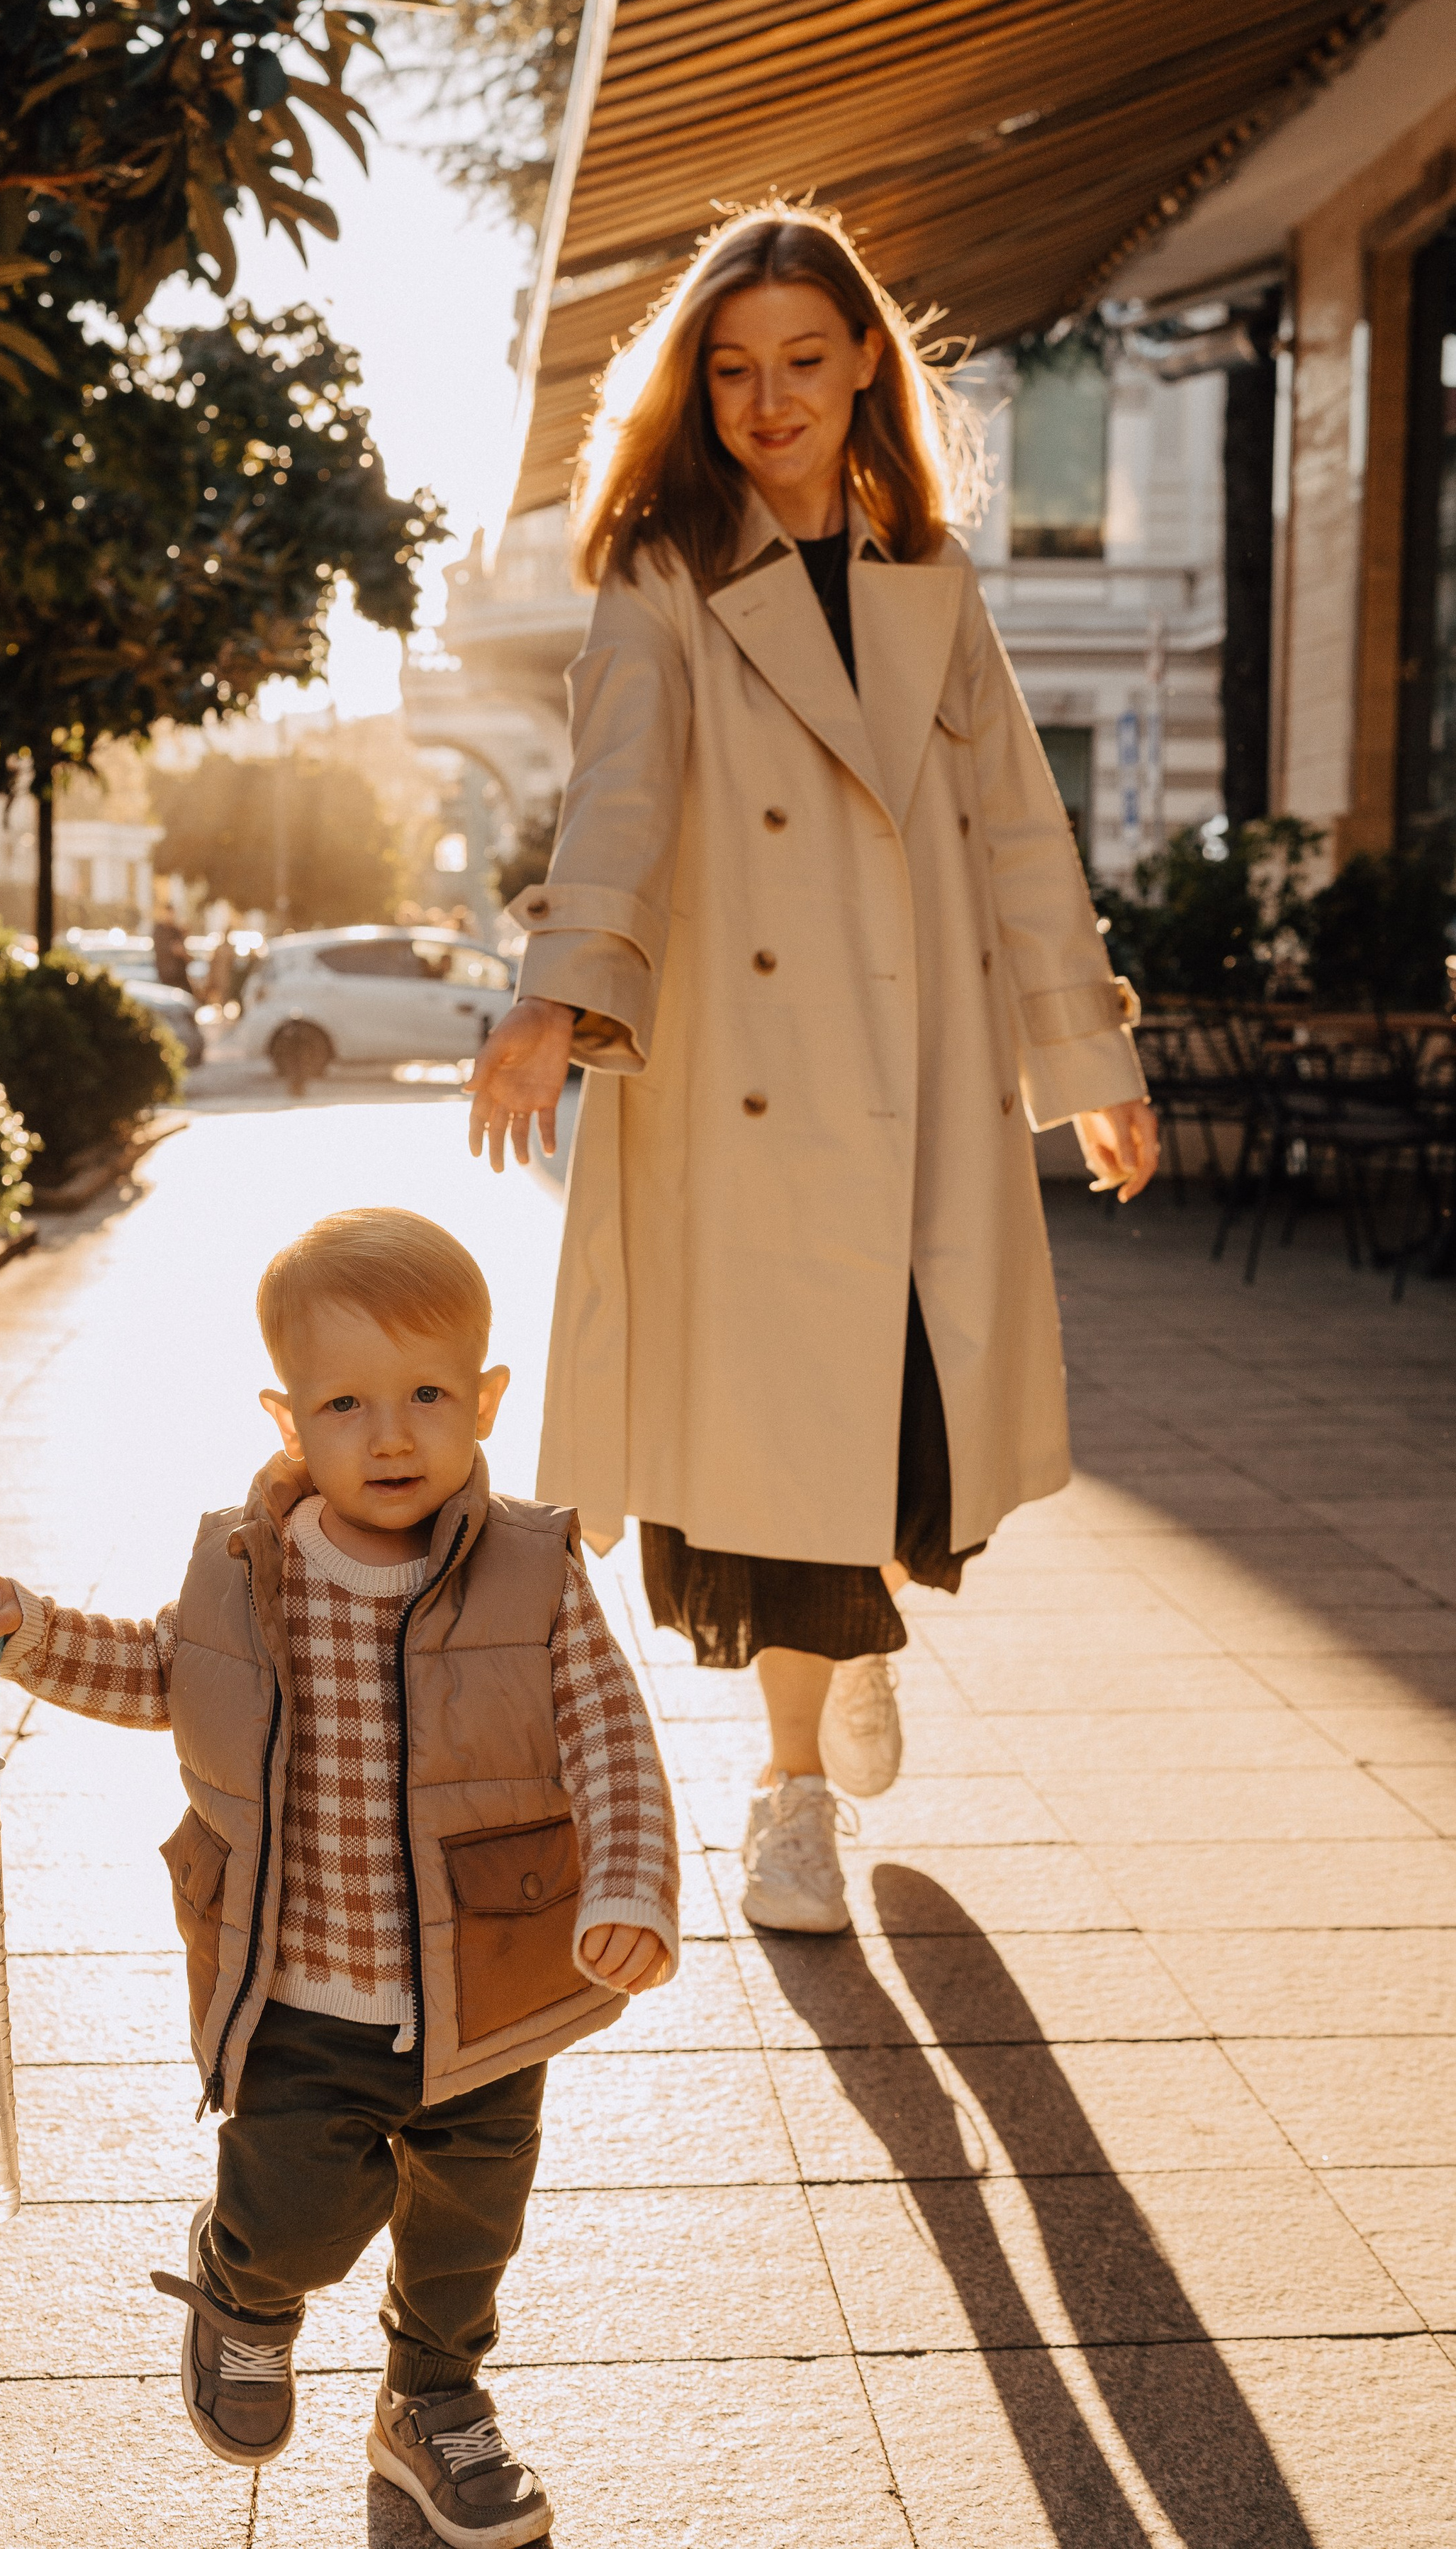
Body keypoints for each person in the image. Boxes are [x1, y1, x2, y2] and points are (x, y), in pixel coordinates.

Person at [466, 205, 1157, 1938]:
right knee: (779, 1458)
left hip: (916, 1084)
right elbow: (614, 801)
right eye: (731, 367)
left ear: (864, 364)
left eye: (799, 360)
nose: (766, 400)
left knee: (896, 1431)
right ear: (695, 389)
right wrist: (555, 997)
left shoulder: (932, 580)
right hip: (750, 1084)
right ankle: (787, 1790)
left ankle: (849, 1645)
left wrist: (1086, 1062)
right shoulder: (662, 573)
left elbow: (1019, 831)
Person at [0, 1208, 677, 2549]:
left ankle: (433, 2405)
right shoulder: (244, 1570)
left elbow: (610, 1739)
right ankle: (243, 2290)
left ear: (488, 1399)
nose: (392, 1436)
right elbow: (160, 1672)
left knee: (468, 2236)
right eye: (347, 1403)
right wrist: (29, 1633)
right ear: (289, 1422)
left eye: (428, 1396)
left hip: (489, 2000)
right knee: (297, 2213)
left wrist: (628, 1889)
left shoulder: (537, 1573)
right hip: (300, 1993)